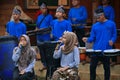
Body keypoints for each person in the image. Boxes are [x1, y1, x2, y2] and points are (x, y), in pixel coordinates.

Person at [82, 8, 117, 80]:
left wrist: (112, 40)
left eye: (98, 17)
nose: (97, 19)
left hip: (106, 49)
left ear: (103, 15)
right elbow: (93, 37)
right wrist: (87, 39)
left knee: (106, 67)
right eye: (96, 18)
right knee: (92, 67)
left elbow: (114, 34)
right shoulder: (95, 26)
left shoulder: (111, 24)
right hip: (96, 50)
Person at [98, 0, 116, 66]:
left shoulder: (110, 8)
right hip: (100, 26)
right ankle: (100, 59)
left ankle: (114, 59)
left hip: (108, 27)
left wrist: (108, 24)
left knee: (110, 42)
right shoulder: (99, 7)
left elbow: (112, 18)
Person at [36, 2, 53, 71]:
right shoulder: (39, 17)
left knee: (47, 52)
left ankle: (49, 65)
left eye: (44, 8)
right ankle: (44, 65)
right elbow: (37, 26)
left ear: (46, 9)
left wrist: (50, 33)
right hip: (39, 36)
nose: (43, 10)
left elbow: (51, 26)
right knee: (41, 52)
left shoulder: (50, 17)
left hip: (46, 36)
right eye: (42, 8)